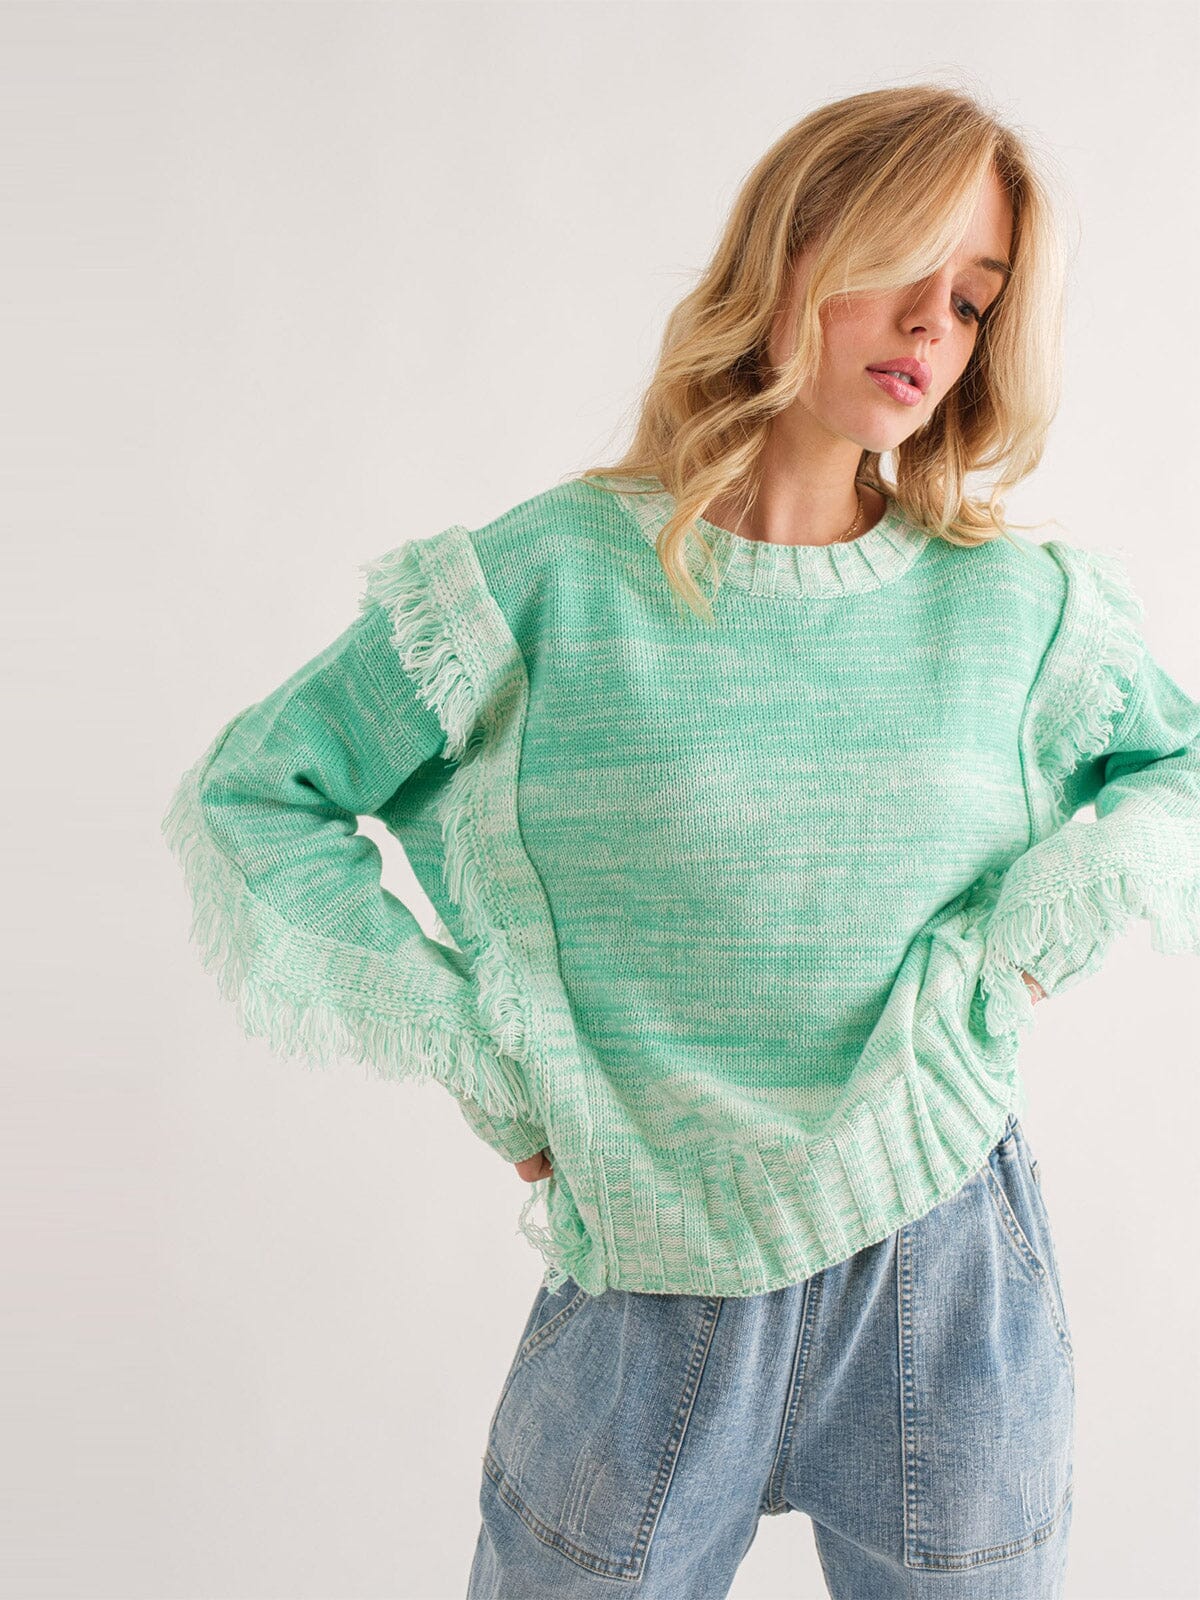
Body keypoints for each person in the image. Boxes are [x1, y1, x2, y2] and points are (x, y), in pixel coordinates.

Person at [162, 82, 1200, 1598]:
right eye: (901, 270)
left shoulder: (1015, 607)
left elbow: (1181, 767)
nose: (934, 328)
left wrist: (1022, 948)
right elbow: (261, 791)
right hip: (645, 1279)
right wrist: (491, 1064)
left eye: (974, 302)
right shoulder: (545, 580)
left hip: (945, 1271)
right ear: (790, 251)